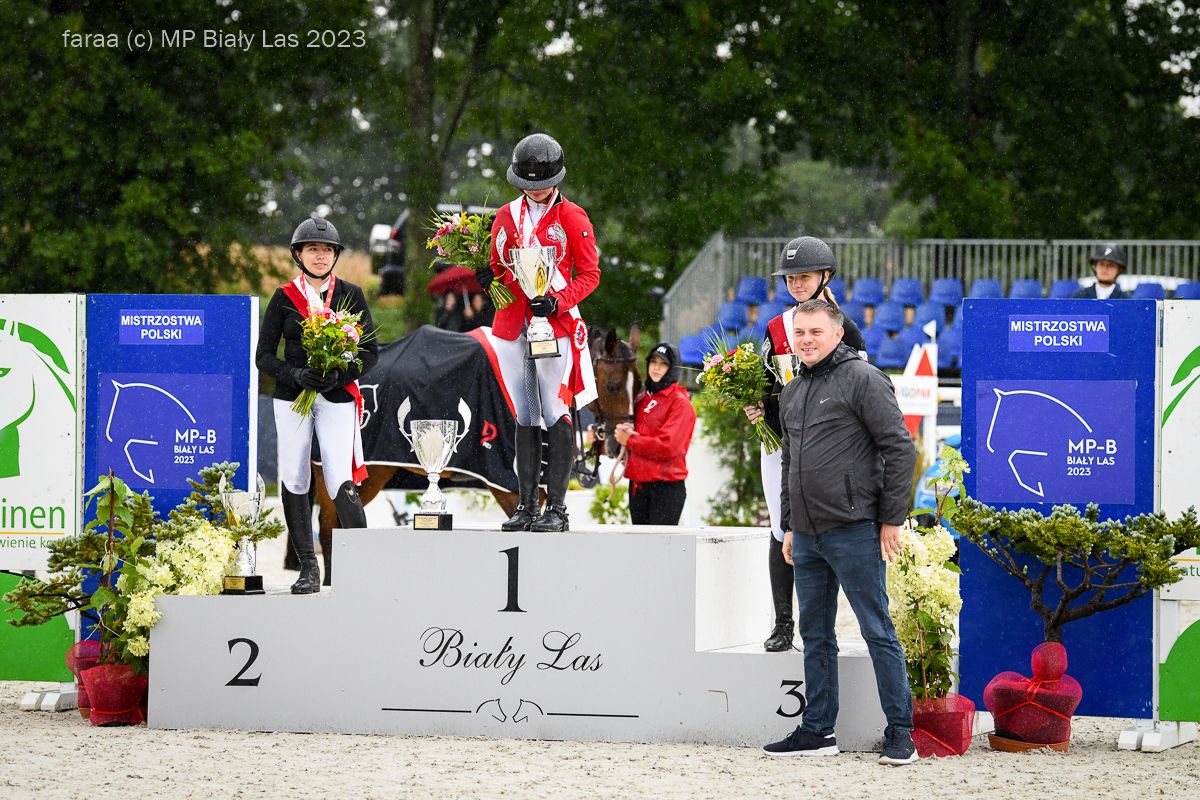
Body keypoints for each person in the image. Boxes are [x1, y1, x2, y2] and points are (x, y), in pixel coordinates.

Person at [762, 298, 918, 766]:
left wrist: (891, 518)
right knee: (815, 634)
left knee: (877, 630)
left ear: (836, 334)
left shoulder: (864, 379)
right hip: (807, 536)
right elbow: (789, 463)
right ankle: (817, 731)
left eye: (816, 332)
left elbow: (900, 448)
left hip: (855, 530)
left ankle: (901, 733)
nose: (807, 340)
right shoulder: (793, 390)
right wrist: (789, 525)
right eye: (800, 333)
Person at [743, 236, 867, 653]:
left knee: (832, 529)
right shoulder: (776, 327)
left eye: (804, 277)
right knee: (780, 528)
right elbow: (766, 384)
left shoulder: (845, 328)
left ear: (825, 277)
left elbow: (860, 386)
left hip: (829, 445)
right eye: (791, 278)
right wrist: (756, 405)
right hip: (782, 441)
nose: (796, 284)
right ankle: (782, 623)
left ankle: (842, 624)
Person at [477, 132, 599, 532]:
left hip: (554, 324)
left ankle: (557, 509)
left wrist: (558, 301)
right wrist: (487, 279)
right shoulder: (505, 216)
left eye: (542, 184)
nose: (534, 191)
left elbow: (590, 274)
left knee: (554, 409)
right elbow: (500, 269)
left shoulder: (573, 217)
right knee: (525, 414)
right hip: (512, 325)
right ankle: (527, 505)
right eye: (528, 185)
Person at [255, 217, 378, 594]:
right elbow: (263, 356)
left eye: (326, 250)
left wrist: (339, 376)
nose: (320, 256)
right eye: (313, 249)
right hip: (293, 399)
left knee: (340, 477)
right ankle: (308, 569)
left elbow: (370, 353)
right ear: (299, 254)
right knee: (294, 476)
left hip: (337, 397)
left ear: (335, 255)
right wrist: (294, 374)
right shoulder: (283, 297)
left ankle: (362, 567)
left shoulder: (351, 294)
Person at [613, 343, 696, 525]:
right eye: (653, 362)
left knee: (660, 543)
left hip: (666, 488)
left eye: (663, 364)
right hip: (638, 486)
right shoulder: (641, 399)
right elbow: (623, 439)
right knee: (642, 543)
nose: (656, 368)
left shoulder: (681, 404)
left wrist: (630, 440)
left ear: (672, 368)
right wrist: (600, 440)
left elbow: (668, 447)